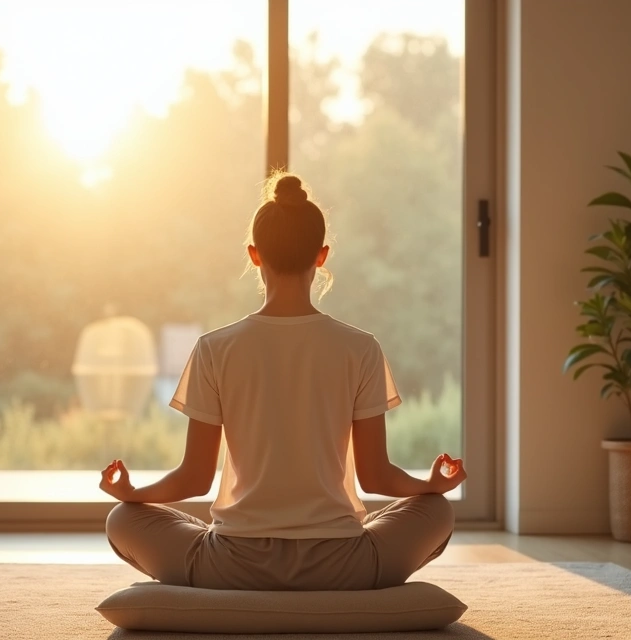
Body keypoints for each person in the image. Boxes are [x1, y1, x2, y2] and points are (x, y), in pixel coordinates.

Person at [100, 172, 466, 591]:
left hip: (232, 565)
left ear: (254, 255)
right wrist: (430, 486)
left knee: (123, 519)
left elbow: (194, 480)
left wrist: (133, 493)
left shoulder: (214, 348)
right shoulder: (361, 348)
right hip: (343, 566)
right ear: (322, 255)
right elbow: (376, 477)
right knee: (437, 511)